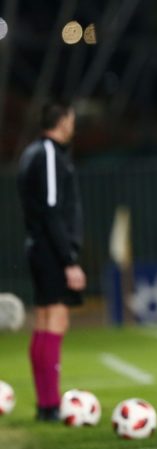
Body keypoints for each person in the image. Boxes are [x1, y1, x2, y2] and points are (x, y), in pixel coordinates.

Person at [17, 100, 86, 422]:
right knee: (55, 320)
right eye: (72, 119)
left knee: (45, 321)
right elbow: (51, 208)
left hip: (40, 247)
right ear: (63, 121)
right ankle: (50, 404)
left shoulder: (33, 152)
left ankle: (46, 405)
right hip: (50, 250)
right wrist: (69, 259)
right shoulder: (47, 153)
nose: (74, 125)